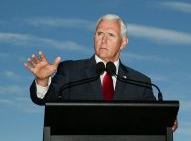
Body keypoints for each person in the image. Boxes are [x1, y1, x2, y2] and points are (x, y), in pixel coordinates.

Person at [24, 14, 178, 131]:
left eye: (111, 35)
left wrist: (167, 121)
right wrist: (42, 81)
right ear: (94, 37)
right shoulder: (70, 70)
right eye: (99, 34)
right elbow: (45, 100)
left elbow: (154, 117)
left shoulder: (140, 82)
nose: (103, 40)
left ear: (123, 43)